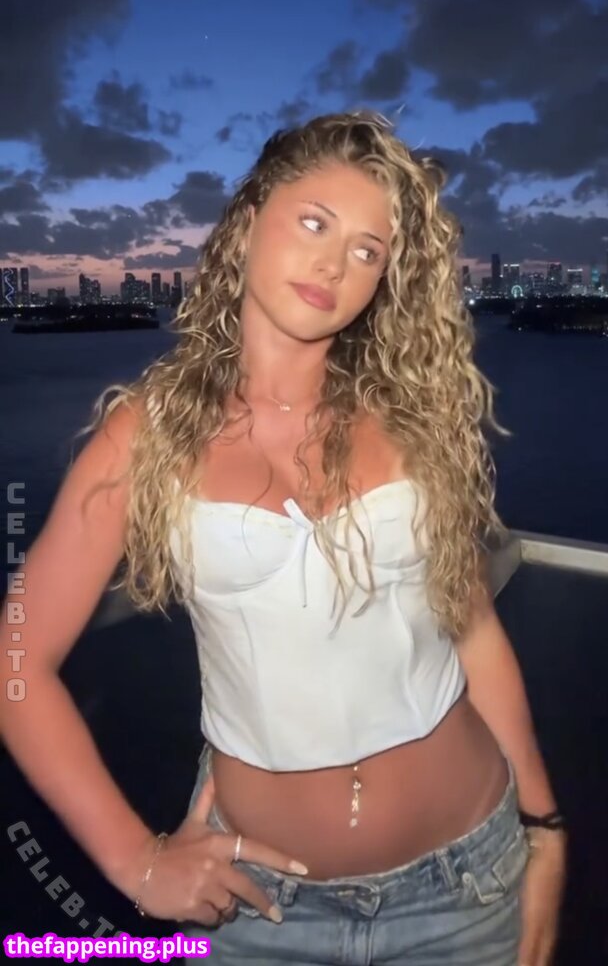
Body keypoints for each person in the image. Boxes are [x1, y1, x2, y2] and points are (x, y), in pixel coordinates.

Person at [1, 111, 565, 965]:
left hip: (467, 885)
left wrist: (543, 825)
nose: (336, 263)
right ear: (248, 220)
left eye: (369, 250)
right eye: (314, 223)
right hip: (263, 911)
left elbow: (471, 628)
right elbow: (17, 661)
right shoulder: (145, 437)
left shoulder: (410, 422)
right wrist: (135, 861)